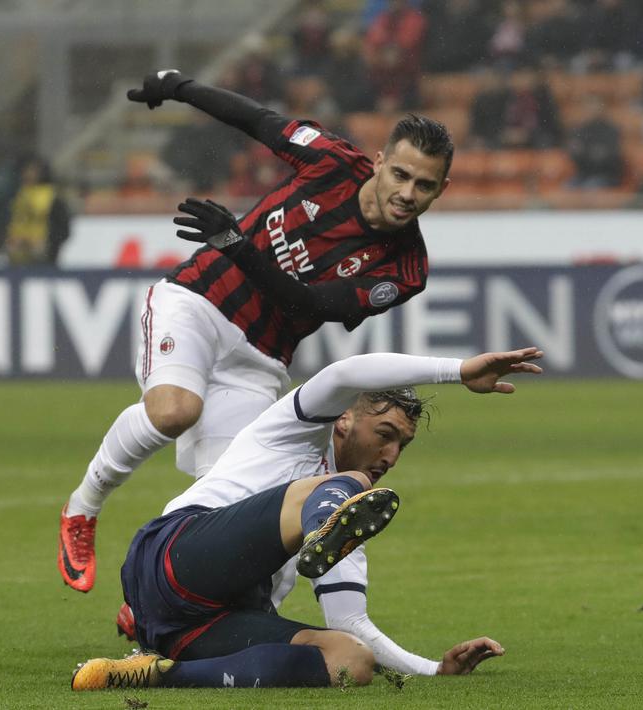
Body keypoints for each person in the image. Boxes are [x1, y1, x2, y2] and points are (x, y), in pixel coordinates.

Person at [58, 69, 453, 593]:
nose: (407, 193)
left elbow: (307, 302)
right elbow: (257, 120)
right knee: (175, 411)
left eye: (424, 186)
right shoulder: (331, 160)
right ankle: (82, 509)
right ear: (379, 161)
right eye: (400, 174)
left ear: (441, 190)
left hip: (261, 358)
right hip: (199, 299)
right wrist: (177, 86)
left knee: (233, 501)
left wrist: (238, 245)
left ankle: (157, 596)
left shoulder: (404, 269)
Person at [71, 346, 543, 691]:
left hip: (197, 628)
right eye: (385, 434)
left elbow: (350, 621)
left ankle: (155, 674)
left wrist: (434, 670)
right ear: (344, 419)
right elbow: (345, 372)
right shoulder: (293, 432)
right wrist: (457, 370)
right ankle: (316, 528)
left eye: (403, 445)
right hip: (174, 557)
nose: (392, 455)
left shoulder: (352, 516)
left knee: (350, 660)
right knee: (344, 486)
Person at [3, 157, 71, 266]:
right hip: (15, 246)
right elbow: (5, 219)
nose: (29, 175)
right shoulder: (14, 194)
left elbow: (62, 225)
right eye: (26, 171)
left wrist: (51, 244)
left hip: (41, 248)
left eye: (33, 171)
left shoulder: (51, 195)